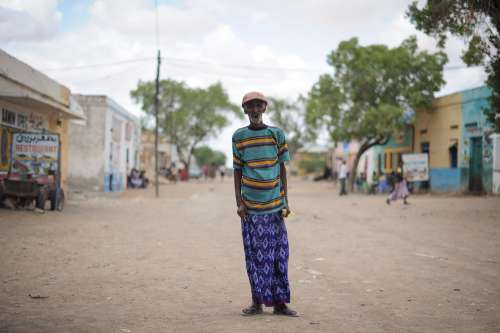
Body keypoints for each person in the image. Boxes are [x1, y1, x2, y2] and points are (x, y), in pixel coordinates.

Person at [232, 91, 297, 317]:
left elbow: (282, 168)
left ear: (265, 108)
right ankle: (256, 303)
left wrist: (285, 200)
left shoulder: (276, 134)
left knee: (279, 256)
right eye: (251, 106)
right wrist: (239, 203)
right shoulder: (239, 137)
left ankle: (280, 304)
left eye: (259, 106)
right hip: (251, 210)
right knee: (255, 257)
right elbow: (237, 171)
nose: (255, 110)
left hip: (274, 207)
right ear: (245, 110)